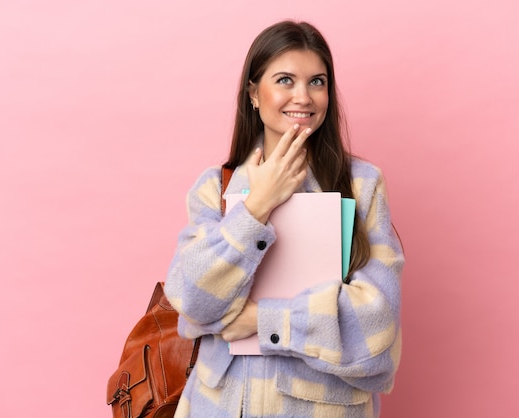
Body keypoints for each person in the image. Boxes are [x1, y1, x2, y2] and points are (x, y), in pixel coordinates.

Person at [165, 20, 404, 418]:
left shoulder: (362, 185)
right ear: (254, 94)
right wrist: (256, 206)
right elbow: (191, 303)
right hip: (220, 406)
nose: (303, 96)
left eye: (317, 82)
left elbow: (378, 330)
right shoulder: (215, 188)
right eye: (285, 80)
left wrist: (265, 321)